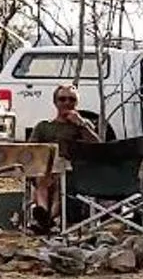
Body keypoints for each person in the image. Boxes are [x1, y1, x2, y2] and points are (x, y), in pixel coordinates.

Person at [25, 85, 101, 231]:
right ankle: (48, 219)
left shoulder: (83, 127)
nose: (67, 103)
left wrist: (81, 124)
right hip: (44, 170)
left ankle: (44, 218)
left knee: (60, 180)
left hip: (72, 172)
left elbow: (97, 147)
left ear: (76, 103)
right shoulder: (44, 126)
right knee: (44, 178)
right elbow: (30, 150)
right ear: (55, 102)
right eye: (62, 99)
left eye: (71, 99)